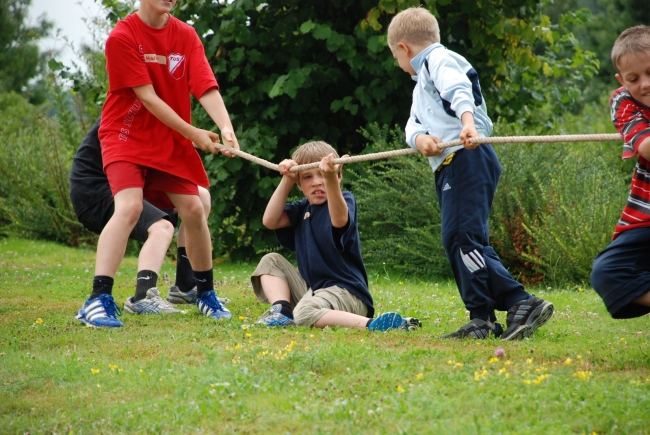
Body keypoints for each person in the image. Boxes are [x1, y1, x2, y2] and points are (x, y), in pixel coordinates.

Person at [386, 7, 553, 340]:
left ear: (403, 48)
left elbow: (459, 89)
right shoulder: (421, 86)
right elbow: (412, 125)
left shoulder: (438, 60)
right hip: (451, 164)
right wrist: (421, 139)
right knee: (467, 240)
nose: (398, 64)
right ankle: (482, 318)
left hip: (468, 156)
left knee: (460, 238)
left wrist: (466, 124)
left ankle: (520, 301)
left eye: (395, 56)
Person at [75, 0, 238, 327]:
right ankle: (97, 299)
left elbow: (204, 85)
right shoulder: (122, 36)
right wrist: (194, 134)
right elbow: (147, 98)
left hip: (169, 140)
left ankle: (204, 294)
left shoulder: (186, 35)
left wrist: (225, 127)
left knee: (193, 208)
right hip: (126, 136)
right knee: (130, 207)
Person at [250, 140, 421, 331]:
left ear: (338, 175)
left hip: (347, 293)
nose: (316, 182)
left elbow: (339, 220)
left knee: (304, 314)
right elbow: (270, 220)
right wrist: (287, 179)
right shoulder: (302, 209)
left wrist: (330, 179)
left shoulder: (344, 199)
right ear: (300, 184)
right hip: (314, 292)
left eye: (322, 174)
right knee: (270, 260)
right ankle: (281, 311)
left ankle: (374, 325)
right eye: (307, 177)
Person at [70, 119, 229, 317]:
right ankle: (143, 296)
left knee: (200, 198)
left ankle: (186, 286)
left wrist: (194, 137)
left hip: (135, 183)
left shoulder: (156, 108)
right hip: (95, 190)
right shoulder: (132, 108)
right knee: (161, 228)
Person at [591, 25, 650, 319]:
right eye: (634, 78)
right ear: (621, 81)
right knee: (606, 272)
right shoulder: (623, 101)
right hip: (644, 219)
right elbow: (647, 147)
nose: (645, 84)